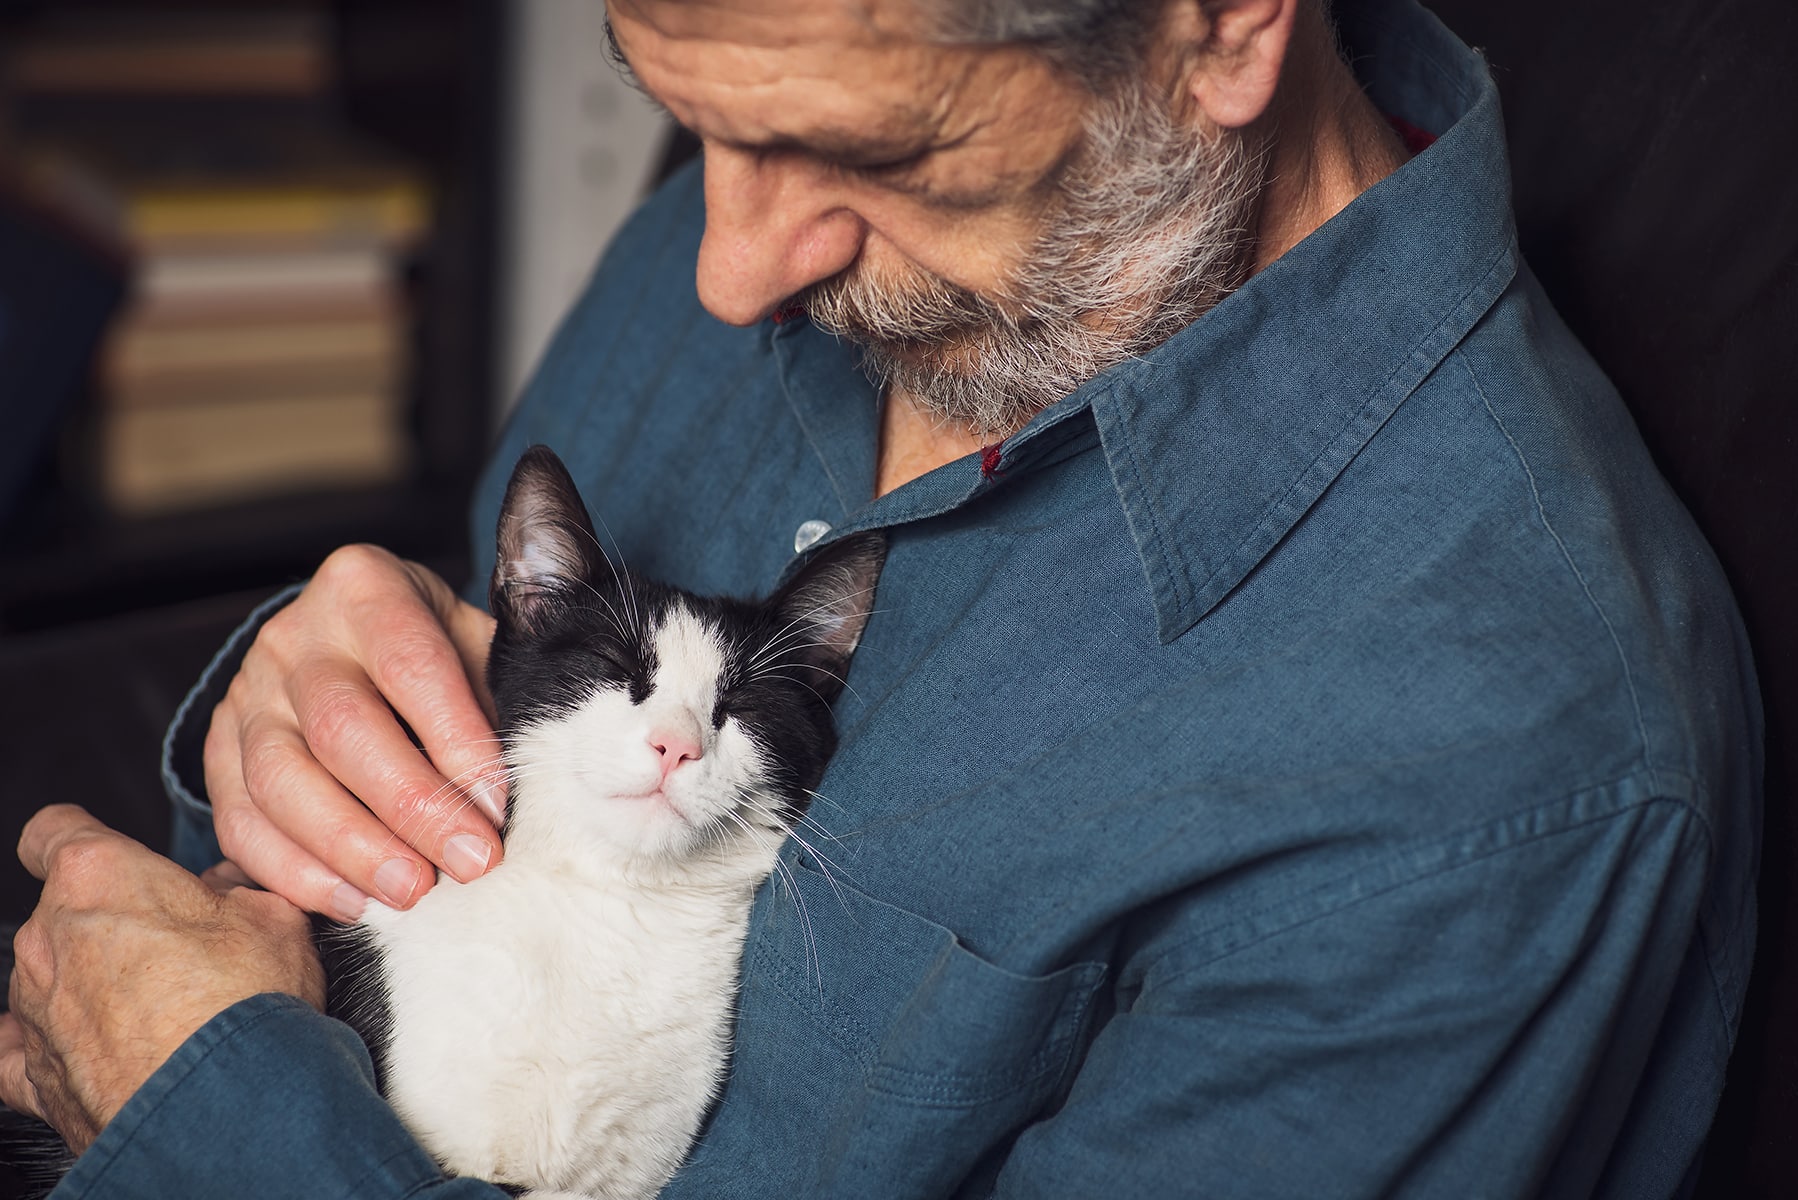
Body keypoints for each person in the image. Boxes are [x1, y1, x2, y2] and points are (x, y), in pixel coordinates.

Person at [0, 0, 1761, 1195]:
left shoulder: (1493, 783)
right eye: (683, 123)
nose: (723, 266)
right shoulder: (796, 133)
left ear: (1223, 20)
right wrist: (308, 739)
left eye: (882, 160)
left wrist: (214, 1120)